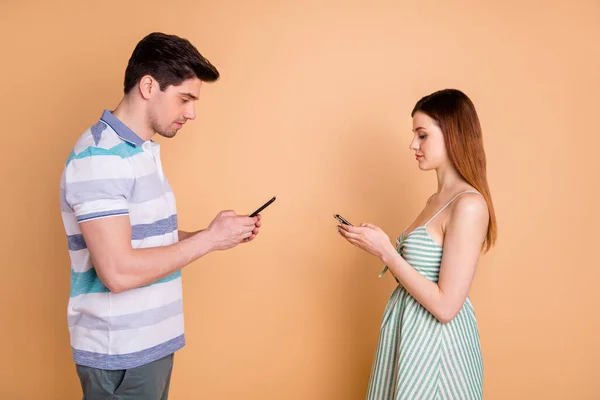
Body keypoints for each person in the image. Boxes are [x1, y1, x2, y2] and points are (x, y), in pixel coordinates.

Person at [59, 32, 262, 399]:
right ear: (148, 86)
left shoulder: (139, 152)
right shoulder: (100, 159)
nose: (192, 112)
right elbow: (118, 272)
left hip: (148, 347)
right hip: (120, 354)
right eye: (184, 99)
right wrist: (209, 240)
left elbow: (144, 240)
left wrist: (215, 234)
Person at [337, 89, 497, 399]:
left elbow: (447, 307)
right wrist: (373, 244)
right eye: (414, 135)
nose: (413, 144)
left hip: (437, 349)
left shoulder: (469, 205)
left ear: (452, 135)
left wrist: (386, 251)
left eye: (422, 135)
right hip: (409, 337)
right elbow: (419, 277)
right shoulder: (435, 200)